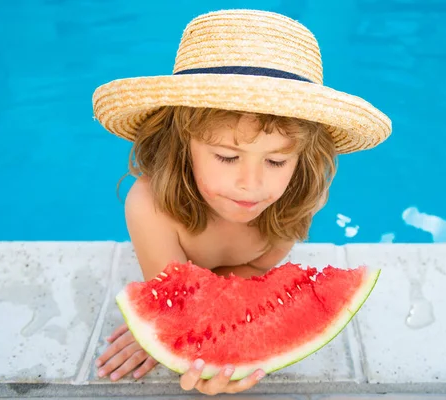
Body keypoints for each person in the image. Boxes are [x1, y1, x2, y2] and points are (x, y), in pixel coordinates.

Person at [91, 8, 391, 395]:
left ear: (302, 159)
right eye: (227, 157)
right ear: (184, 146)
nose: (251, 185)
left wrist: (234, 335)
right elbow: (181, 308)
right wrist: (179, 336)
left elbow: (252, 270)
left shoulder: (297, 200)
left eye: (276, 160)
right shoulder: (151, 207)